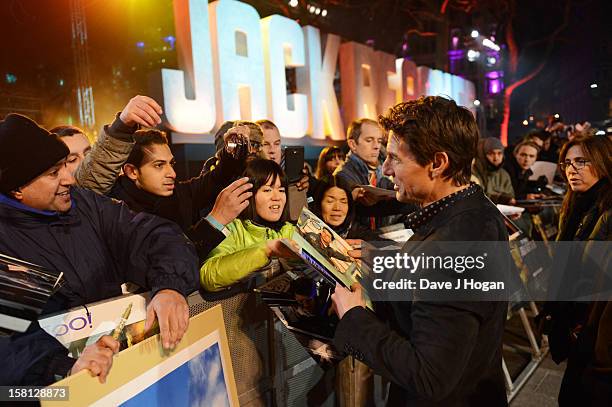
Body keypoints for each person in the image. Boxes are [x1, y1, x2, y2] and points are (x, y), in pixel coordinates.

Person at [331, 96, 510, 406]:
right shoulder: (473, 210)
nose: (385, 169)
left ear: (437, 163)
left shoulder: (453, 246)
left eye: (394, 159)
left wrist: (354, 316)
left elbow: (429, 376)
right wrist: (384, 259)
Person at [0, 114, 199, 385]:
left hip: (119, 378)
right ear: (17, 190)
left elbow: (154, 234)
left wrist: (169, 286)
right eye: (53, 173)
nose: (69, 179)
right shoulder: (5, 243)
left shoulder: (85, 205)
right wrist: (64, 369)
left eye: (65, 166)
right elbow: (10, 343)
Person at [107, 126, 251, 261]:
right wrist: (216, 220)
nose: (172, 173)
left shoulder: (178, 194)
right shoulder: (119, 214)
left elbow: (217, 178)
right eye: (159, 165)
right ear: (132, 171)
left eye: (171, 163)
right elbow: (170, 260)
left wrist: (233, 150)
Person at [543, 134, 612, 405]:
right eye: (567, 163)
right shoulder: (576, 206)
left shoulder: (607, 209)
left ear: (603, 161)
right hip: (578, 325)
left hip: (597, 335)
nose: (572, 169)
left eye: (582, 161)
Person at [200, 159, 297, 292]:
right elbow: (208, 276)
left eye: (281, 190)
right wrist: (265, 249)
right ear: (248, 194)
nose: (277, 197)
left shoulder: (290, 230)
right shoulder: (232, 228)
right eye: (267, 190)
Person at [334, 118, 414, 229]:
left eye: (379, 141)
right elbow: (355, 216)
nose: (377, 146)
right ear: (352, 144)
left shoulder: (382, 169)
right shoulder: (342, 175)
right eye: (369, 140)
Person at [310, 177, 380, 241]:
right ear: (319, 204)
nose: (337, 208)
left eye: (343, 202)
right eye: (330, 201)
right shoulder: (306, 225)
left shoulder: (356, 232)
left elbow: (387, 247)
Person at [472, 137, 516, 204]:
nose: (496, 158)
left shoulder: (504, 175)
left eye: (499, 153)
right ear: (483, 154)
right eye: (491, 153)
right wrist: (498, 198)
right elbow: (476, 198)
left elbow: (511, 196)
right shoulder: (473, 172)